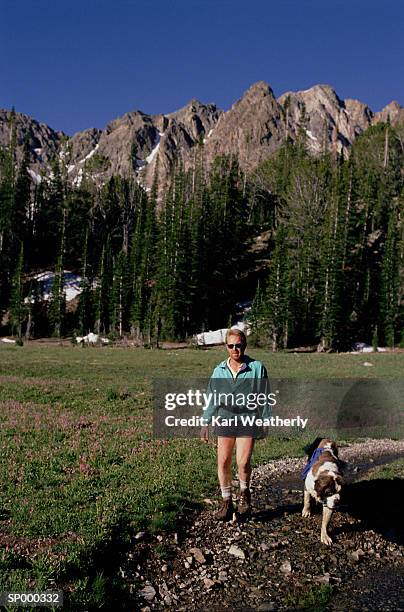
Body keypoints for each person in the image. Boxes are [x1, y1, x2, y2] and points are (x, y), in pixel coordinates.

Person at [200, 328, 271, 521]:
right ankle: (226, 502)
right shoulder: (219, 370)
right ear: (226, 347)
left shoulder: (257, 368)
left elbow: (263, 396)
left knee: (243, 461)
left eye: (238, 345)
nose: (235, 349)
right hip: (224, 419)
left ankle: (245, 494)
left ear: (244, 346)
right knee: (223, 461)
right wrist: (205, 422)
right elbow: (212, 398)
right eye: (231, 346)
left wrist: (265, 420)